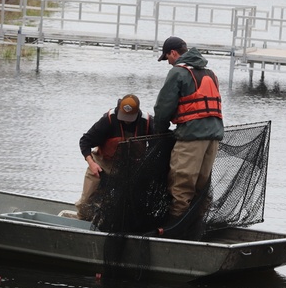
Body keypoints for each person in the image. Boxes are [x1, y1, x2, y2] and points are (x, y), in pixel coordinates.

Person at [152, 36, 224, 222]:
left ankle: (175, 229)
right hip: (213, 138)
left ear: (174, 53)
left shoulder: (178, 72)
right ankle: (197, 226)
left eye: (167, 57)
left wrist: (158, 132)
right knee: (201, 186)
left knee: (181, 185)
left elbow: (163, 107)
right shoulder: (210, 73)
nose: (168, 62)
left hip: (191, 137)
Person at [73, 93, 153, 221]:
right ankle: (81, 222)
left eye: (130, 117)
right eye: (124, 116)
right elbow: (85, 142)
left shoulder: (147, 122)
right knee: (86, 202)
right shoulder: (108, 120)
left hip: (130, 171)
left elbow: (160, 142)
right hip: (102, 165)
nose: (126, 120)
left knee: (121, 207)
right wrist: (92, 164)